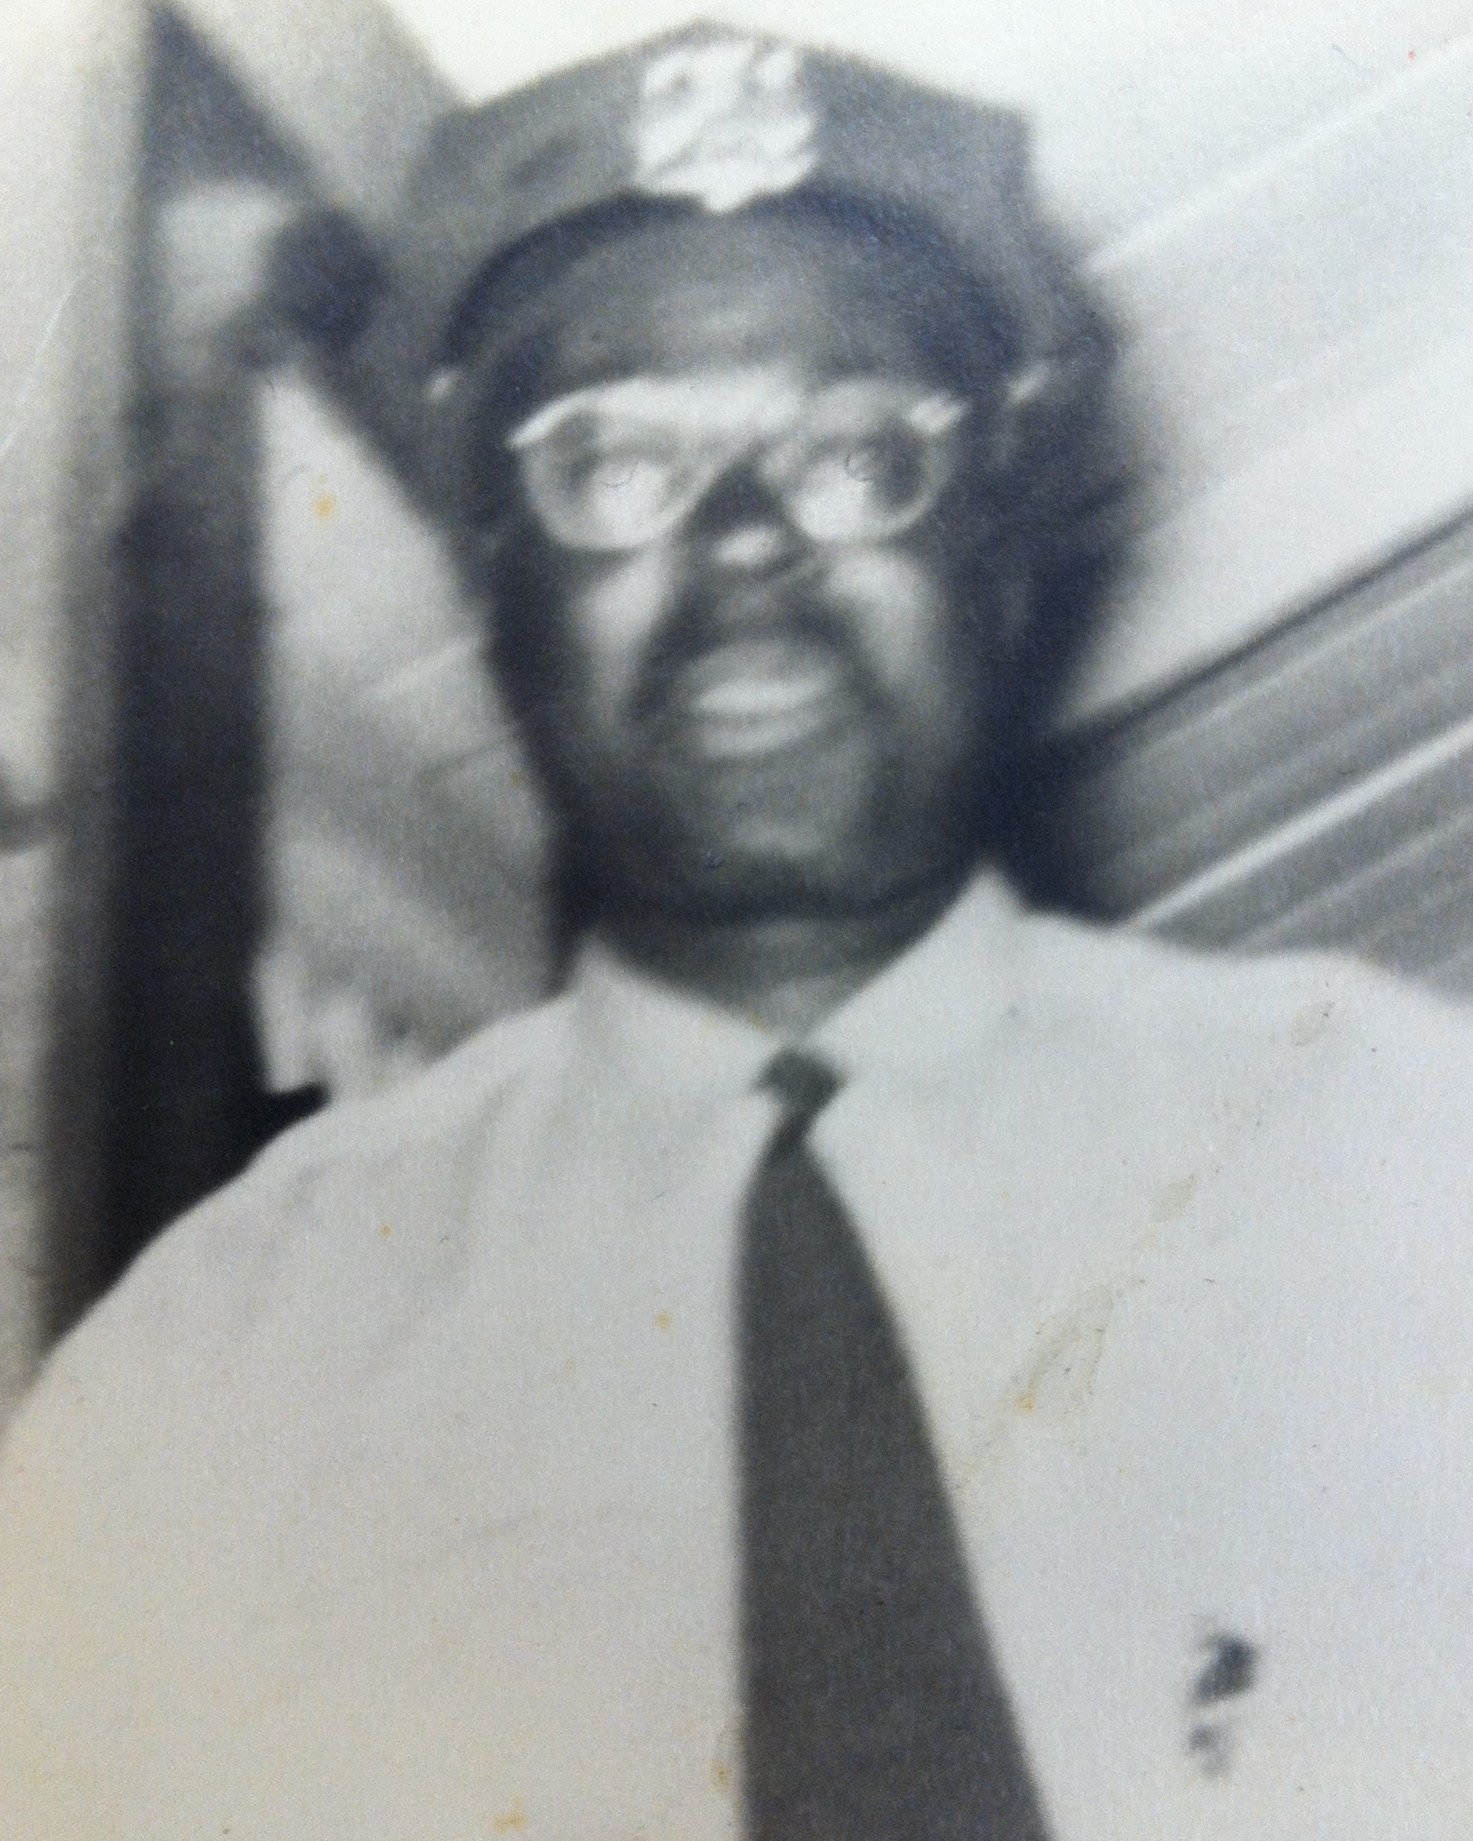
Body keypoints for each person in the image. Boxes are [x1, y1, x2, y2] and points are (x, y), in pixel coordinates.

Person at [2, 25, 1472, 1840]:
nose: (749, 547)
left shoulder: (1394, 1156)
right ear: (493, 577)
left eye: (857, 455)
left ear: (1000, 558)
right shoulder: (225, 1368)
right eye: (616, 465)